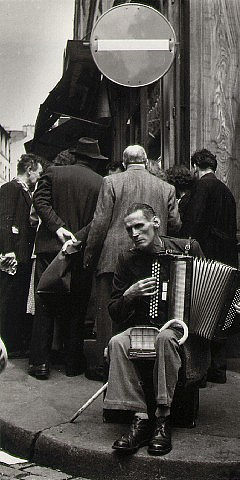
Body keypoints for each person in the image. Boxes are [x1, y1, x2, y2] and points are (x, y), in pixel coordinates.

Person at [105, 203, 240, 456]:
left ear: (157, 223)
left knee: (164, 338)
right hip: (144, 329)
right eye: (130, 230)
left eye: (140, 226)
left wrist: (235, 305)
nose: (135, 233)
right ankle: (140, 418)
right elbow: (114, 310)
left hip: (182, 332)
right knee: (117, 342)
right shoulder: (127, 259)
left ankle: (162, 418)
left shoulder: (187, 248)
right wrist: (129, 295)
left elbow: (217, 293)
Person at [83, 145, 181, 379]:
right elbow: (176, 224)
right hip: (156, 258)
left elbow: (99, 224)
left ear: (125, 163)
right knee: (153, 312)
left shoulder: (111, 182)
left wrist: (89, 258)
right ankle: (149, 369)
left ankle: (109, 369)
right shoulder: (166, 187)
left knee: (111, 315)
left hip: (113, 257)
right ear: (147, 162)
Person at [28, 137, 106, 379]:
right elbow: (100, 219)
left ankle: (40, 363)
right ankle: (73, 362)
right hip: (80, 251)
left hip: (49, 248)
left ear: (75, 155)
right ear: (94, 160)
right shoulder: (101, 183)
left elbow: (39, 201)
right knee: (77, 306)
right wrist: (77, 238)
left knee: (45, 304)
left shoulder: (53, 173)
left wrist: (58, 228)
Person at [180, 149, 239, 384]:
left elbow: (193, 224)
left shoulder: (202, 187)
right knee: (221, 312)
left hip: (206, 256)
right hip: (227, 257)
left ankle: (201, 372)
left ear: (195, 166)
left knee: (201, 313)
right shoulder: (226, 190)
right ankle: (219, 368)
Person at [0, 154, 43, 357]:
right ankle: (7, 343)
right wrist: (8, 250)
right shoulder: (11, 188)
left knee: (15, 298)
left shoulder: (24, 191)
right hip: (13, 255)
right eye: (39, 172)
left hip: (21, 254)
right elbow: (5, 220)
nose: (40, 176)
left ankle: (12, 342)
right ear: (30, 170)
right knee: (8, 299)